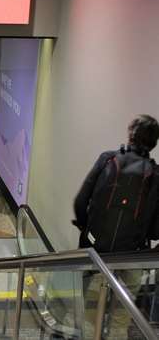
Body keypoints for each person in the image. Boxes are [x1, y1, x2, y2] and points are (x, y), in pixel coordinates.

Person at [74, 115, 159, 338]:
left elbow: (81, 201)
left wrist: (86, 229)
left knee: (91, 314)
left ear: (130, 134)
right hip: (133, 255)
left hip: (97, 253)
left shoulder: (108, 159)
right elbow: (157, 229)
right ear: (154, 143)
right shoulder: (156, 175)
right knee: (122, 315)